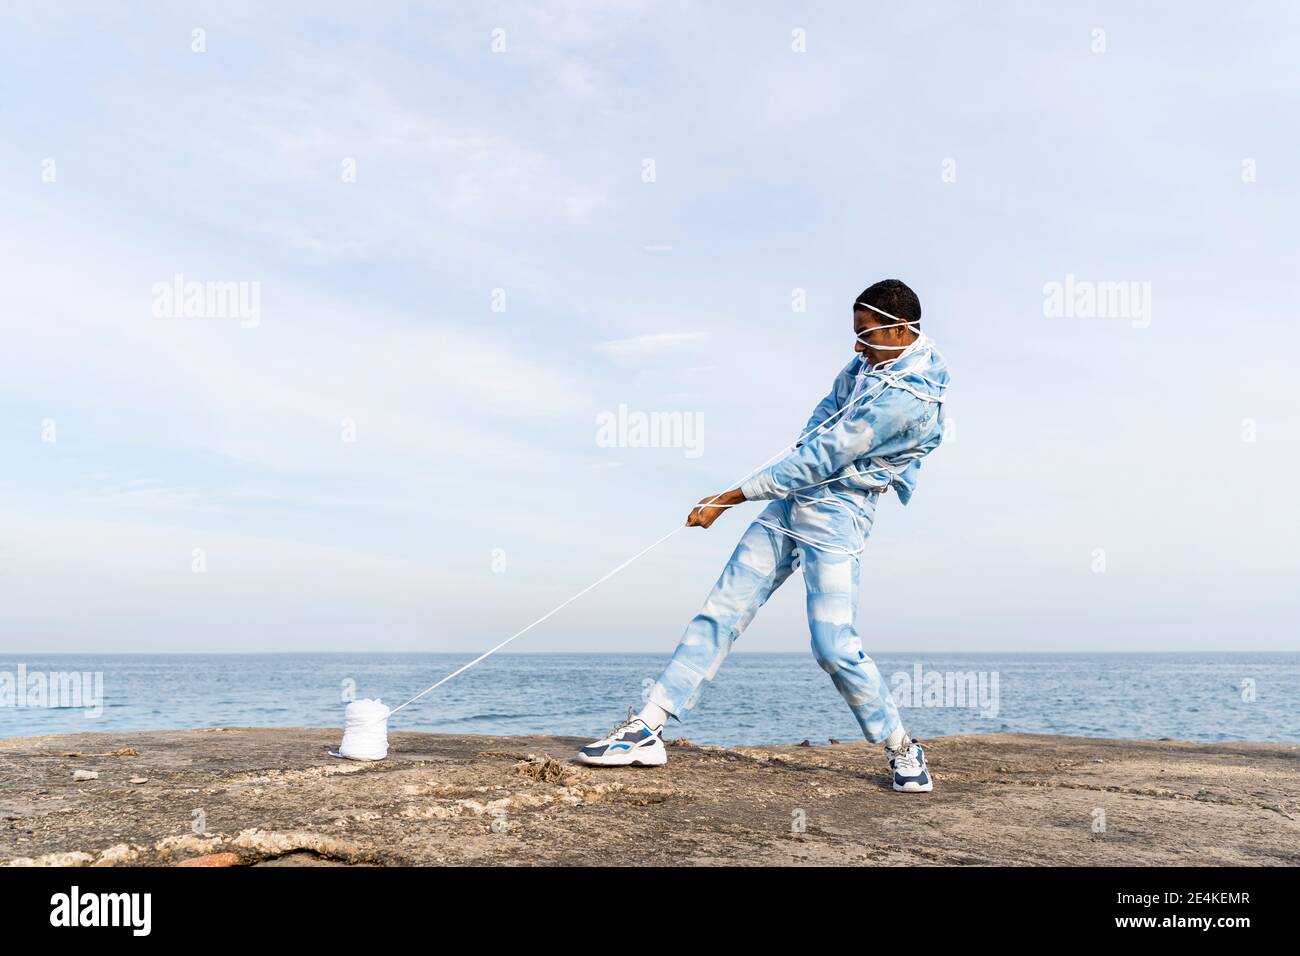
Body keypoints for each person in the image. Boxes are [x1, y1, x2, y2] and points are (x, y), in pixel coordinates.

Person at [576, 279, 949, 793]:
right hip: (793, 501)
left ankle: (902, 749)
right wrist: (792, 463)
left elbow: (827, 454)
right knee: (722, 609)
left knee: (833, 645)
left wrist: (726, 499)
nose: (857, 347)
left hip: (840, 514)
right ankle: (648, 726)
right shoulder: (866, 364)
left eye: (866, 335)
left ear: (902, 329)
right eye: (855, 335)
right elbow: (826, 412)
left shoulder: (910, 399)